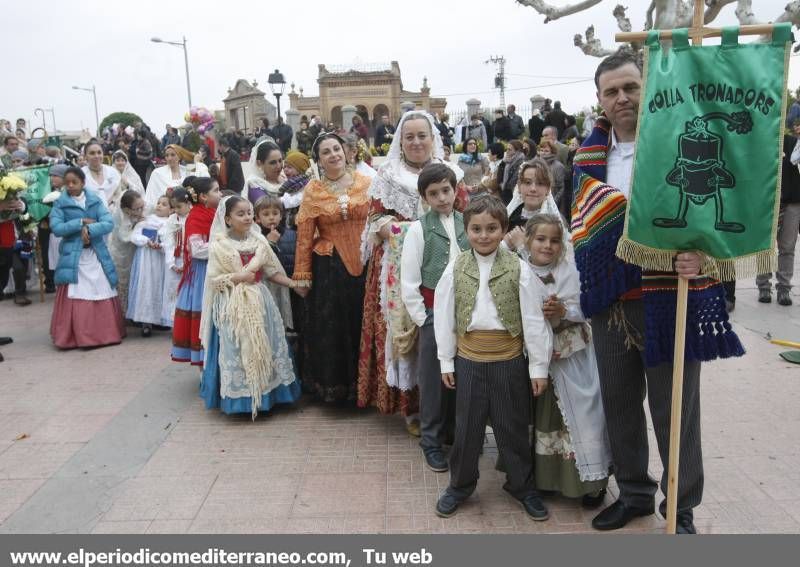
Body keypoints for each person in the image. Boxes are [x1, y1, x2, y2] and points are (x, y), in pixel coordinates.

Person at [573, 50, 744, 534]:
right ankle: (634, 494)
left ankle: (681, 506)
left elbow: (717, 213)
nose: (622, 97)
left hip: (671, 294)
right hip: (611, 303)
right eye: (612, 91)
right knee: (620, 404)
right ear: (600, 100)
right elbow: (582, 228)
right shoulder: (587, 158)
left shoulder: (680, 143)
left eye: (630, 87)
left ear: (648, 88)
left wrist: (705, 256)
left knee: (676, 408)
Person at [433, 196, 552, 520]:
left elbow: (532, 319)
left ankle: (522, 485)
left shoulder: (518, 268)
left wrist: (538, 367)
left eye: (491, 228)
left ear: (503, 230)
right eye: (476, 229)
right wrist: (446, 360)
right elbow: (444, 314)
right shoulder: (457, 266)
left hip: (508, 362)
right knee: (467, 428)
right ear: (466, 231)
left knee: (512, 427)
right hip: (469, 361)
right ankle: (460, 484)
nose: (483, 235)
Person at [358, 110, 466, 431]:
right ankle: (412, 409)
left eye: (422, 135)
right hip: (396, 267)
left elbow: (465, 216)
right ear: (400, 142)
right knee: (409, 335)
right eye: (409, 137)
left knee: (445, 331)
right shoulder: (388, 177)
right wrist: (396, 227)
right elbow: (374, 220)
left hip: (445, 266)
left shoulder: (452, 174)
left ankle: (448, 405)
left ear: (433, 138)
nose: (416, 142)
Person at [523, 213, 611, 507]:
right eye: (540, 239)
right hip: (537, 359)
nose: (547, 246)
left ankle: (590, 482)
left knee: (583, 414)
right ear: (528, 241)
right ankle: (545, 478)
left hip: (571, 357)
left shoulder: (570, 270)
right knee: (542, 417)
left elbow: (586, 308)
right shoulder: (520, 270)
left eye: (554, 240)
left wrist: (563, 312)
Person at [198, 195, 301, 417]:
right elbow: (215, 280)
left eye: (248, 213)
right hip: (231, 304)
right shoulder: (219, 246)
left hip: (260, 300)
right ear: (227, 219)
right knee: (235, 347)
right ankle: (240, 400)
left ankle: (269, 396)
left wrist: (294, 284)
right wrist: (239, 276)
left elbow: (271, 272)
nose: (247, 217)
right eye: (240, 213)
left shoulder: (259, 242)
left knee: (266, 343)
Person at [400, 163, 469, 473]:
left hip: (467, 314)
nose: (442, 198)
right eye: (434, 193)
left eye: (446, 190)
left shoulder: (467, 222)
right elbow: (409, 280)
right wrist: (423, 318)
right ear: (424, 198)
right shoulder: (418, 229)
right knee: (433, 378)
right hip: (432, 314)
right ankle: (431, 439)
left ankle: (456, 432)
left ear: (455, 190)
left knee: (462, 374)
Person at [292, 133, 370, 403]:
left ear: (347, 152)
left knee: (364, 322)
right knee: (334, 328)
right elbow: (304, 237)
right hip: (329, 268)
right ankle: (339, 389)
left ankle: (368, 387)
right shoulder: (313, 191)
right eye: (326, 152)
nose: (334, 155)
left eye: (337, 149)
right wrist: (302, 276)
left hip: (367, 264)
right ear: (319, 160)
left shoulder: (367, 183)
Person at [49, 167, 126, 349]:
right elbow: (57, 228)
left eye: (74, 182)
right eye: (67, 182)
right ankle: (76, 335)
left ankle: (106, 333)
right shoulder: (60, 203)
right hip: (74, 256)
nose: (70, 186)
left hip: (95, 252)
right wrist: (80, 223)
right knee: (77, 290)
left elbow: (108, 223)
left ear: (83, 183)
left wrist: (89, 230)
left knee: (101, 287)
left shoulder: (94, 200)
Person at [171, 176, 222, 366]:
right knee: (205, 316)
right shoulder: (197, 216)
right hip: (203, 273)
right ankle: (204, 368)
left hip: (216, 268)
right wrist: (224, 246)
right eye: (216, 190)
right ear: (203, 196)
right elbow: (197, 249)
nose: (220, 193)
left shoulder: (215, 213)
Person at [756, 119, 800, 306]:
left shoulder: (793, 143)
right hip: (766, 202)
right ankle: (764, 287)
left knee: (787, 248)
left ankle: (784, 289)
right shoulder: (759, 143)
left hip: (792, 201)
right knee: (765, 247)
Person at [126, 195, 172, 336]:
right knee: (146, 288)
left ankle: (159, 319)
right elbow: (134, 236)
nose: (159, 205)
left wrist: (162, 245)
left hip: (160, 262)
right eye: (158, 202)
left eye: (164, 204)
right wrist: (147, 241)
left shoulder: (171, 223)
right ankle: (146, 323)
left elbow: (171, 241)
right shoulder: (146, 220)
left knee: (158, 288)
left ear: (171, 209)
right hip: (146, 261)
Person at [253, 194, 295, 331]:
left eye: (275, 213)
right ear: (257, 218)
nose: (271, 217)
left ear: (281, 216)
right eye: (266, 214)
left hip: (290, 283)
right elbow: (262, 262)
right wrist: (270, 243)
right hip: (270, 286)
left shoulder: (292, 235)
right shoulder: (257, 238)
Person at [108, 190, 146, 315]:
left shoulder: (141, 210)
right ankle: (120, 314)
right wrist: (137, 226)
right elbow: (124, 237)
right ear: (126, 209)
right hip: (120, 252)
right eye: (137, 209)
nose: (141, 211)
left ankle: (133, 312)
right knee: (121, 281)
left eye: (142, 207)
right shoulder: (119, 216)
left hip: (134, 252)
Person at [162, 188, 192, 328]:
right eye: (174, 207)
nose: (177, 210)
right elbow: (168, 241)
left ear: (188, 203)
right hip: (175, 260)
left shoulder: (193, 217)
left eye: (179, 206)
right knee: (173, 291)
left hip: (190, 260)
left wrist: (188, 261)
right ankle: (175, 324)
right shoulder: (171, 220)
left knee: (188, 291)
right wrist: (171, 263)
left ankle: (188, 323)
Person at [144, 144, 195, 211]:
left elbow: (194, 191)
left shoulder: (187, 171)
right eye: (167, 155)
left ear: (179, 157)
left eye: (173, 155)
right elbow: (151, 198)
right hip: (164, 212)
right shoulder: (157, 173)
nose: (169, 158)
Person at [279, 150, 312, 229]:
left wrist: (280, 200)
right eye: (284, 167)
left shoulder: (307, 183)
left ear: (301, 169)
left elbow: (299, 198)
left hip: (303, 223)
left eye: (289, 167)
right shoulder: (290, 183)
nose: (285, 169)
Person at [82, 141, 121, 207]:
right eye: (92, 153)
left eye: (99, 152)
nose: (96, 156)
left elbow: (119, 195)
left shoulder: (113, 172)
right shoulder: (80, 174)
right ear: (85, 157)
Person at [537, 140, 567, 207]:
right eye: (541, 150)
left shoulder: (558, 166)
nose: (543, 153)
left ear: (552, 152)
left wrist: (554, 202)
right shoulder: (536, 163)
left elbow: (561, 188)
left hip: (552, 202)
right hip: (537, 199)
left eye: (546, 151)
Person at [499, 140, 525, 205]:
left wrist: (506, 186)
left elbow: (515, 178)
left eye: (509, 149)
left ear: (517, 151)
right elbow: (500, 174)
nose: (507, 151)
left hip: (513, 192)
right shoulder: (506, 160)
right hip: (505, 190)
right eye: (506, 149)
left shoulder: (521, 162)